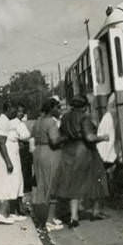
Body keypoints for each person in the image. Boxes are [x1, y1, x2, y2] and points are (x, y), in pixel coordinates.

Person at [52, 94, 110, 228]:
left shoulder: (65, 117)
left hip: (68, 152)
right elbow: (89, 137)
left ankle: (74, 217)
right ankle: (96, 212)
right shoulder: (84, 117)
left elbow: (62, 135)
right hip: (85, 151)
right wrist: (103, 137)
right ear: (84, 107)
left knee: (74, 184)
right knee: (97, 180)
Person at [0, 100, 31, 224]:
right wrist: (8, 162)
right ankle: (2, 214)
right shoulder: (3, 121)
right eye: (14, 109)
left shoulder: (5, 120)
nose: (16, 112)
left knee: (12, 183)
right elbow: (1, 142)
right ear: (8, 109)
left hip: (10, 152)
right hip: (6, 155)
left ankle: (8, 213)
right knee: (6, 184)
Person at [31, 98, 64, 232]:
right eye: (57, 107)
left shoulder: (38, 121)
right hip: (50, 153)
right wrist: (66, 137)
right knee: (53, 184)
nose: (59, 110)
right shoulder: (51, 122)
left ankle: (47, 217)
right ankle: (49, 221)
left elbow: (33, 136)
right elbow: (55, 140)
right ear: (52, 108)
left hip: (38, 153)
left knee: (43, 185)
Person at [17, 103, 34, 214]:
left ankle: (26, 202)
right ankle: (23, 204)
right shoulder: (15, 123)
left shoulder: (21, 123)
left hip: (26, 152)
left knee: (27, 177)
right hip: (21, 152)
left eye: (22, 111)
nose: (21, 113)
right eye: (19, 111)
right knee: (23, 177)